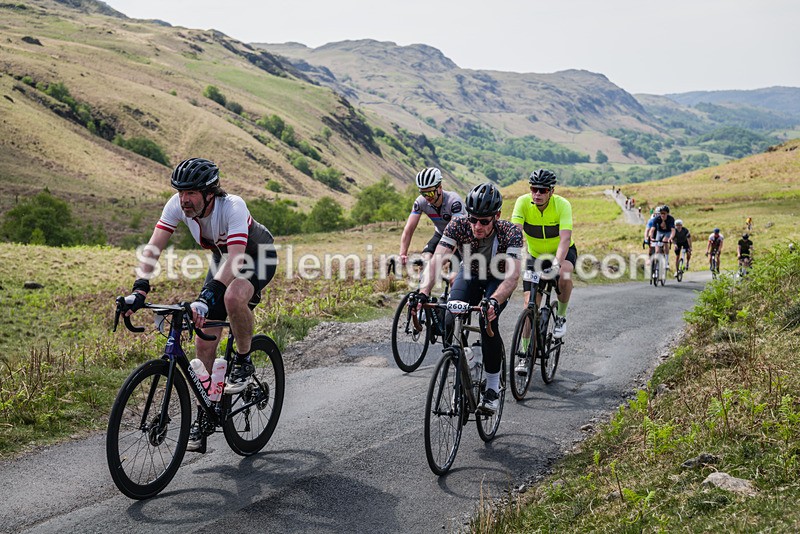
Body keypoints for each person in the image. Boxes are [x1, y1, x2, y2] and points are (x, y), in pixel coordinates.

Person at [121, 157, 278, 452]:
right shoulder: (176, 205)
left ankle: (243, 359)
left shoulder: (233, 206)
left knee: (231, 297)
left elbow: (236, 260)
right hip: (224, 259)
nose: (184, 199)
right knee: (204, 342)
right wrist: (139, 289)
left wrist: (208, 295)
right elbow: (154, 247)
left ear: (209, 193)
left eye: (191, 193)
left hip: (256, 256)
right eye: (181, 192)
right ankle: (203, 416)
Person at [416, 183, 522, 414]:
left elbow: (513, 278)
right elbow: (437, 260)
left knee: (487, 323)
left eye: (484, 221)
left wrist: (494, 301)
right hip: (471, 273)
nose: (477, 226)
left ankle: (492, 387)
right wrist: (423, 291)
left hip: (499, 278)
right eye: (473, 219)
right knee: (448, 320)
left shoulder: (511, 232)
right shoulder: (458, 225)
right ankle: (467, 362)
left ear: (497, 216)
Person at [511, 169, 577, 340]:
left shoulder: (562, 205)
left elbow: (565, 239)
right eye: (534, 189)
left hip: (562, 253)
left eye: (543, 190)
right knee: (529, 306)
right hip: (535, 256)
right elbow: (515, 234)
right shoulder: (522, 203)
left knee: (564, 274)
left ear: (551, 191)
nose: (537, 194)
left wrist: (556, 264)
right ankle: (524, 355)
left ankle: (561, 317)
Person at [399, 167, 466, 266]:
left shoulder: (454, 201)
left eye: (430, 192)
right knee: (426, 260)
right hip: (440, 234)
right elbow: (409, 229)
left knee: (453, 277)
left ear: (440, 188)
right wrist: (402, 254)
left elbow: (456, 233)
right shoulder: (420, 201)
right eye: (423, 193)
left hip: (461, 238)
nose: (427, 197)